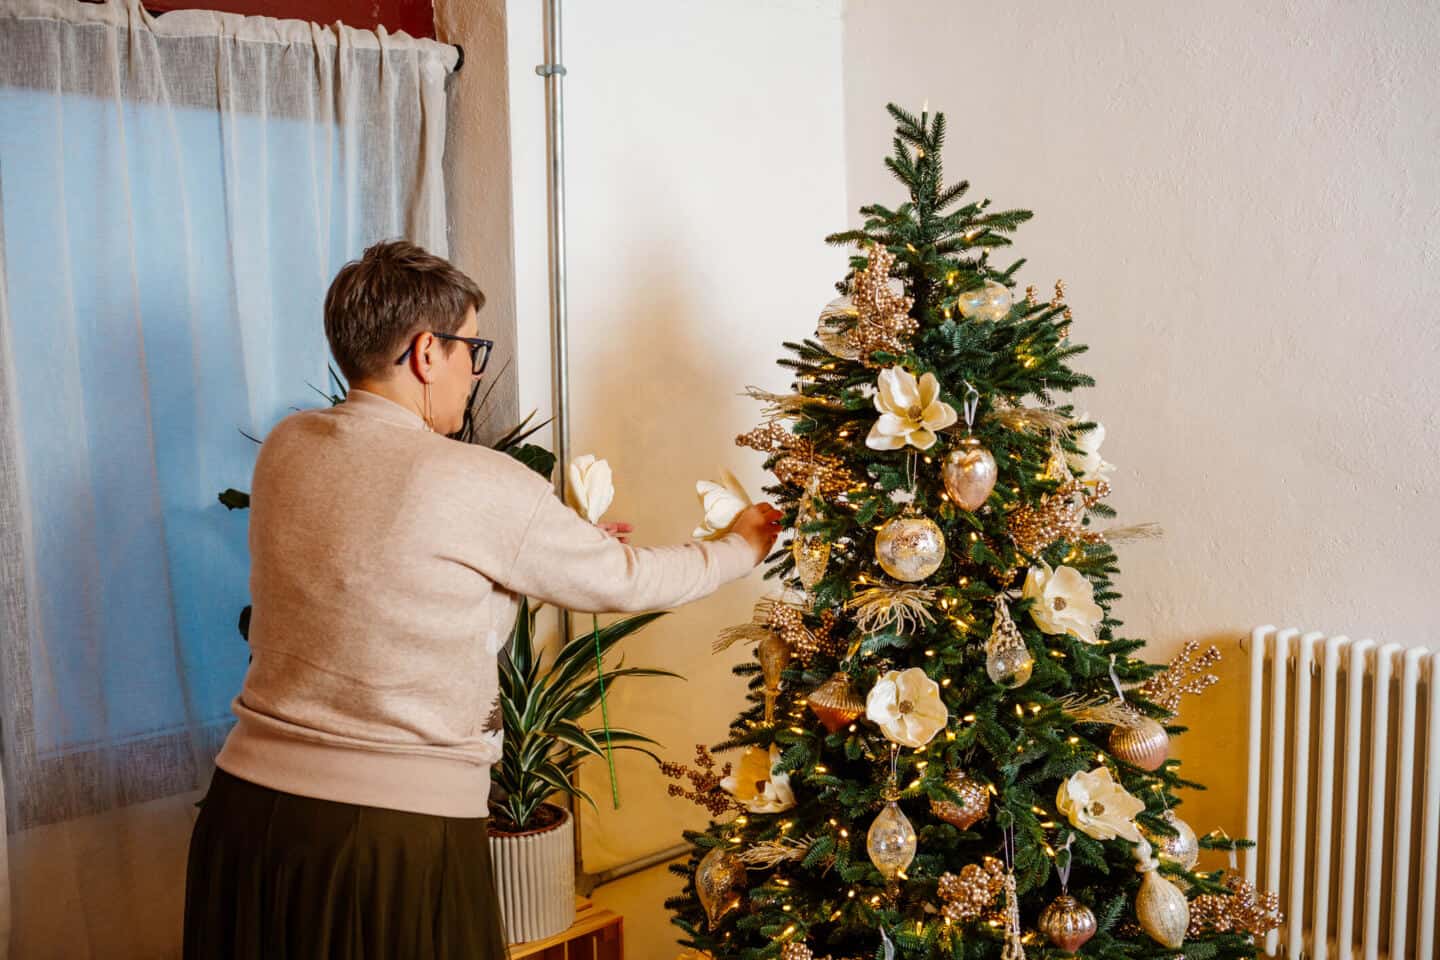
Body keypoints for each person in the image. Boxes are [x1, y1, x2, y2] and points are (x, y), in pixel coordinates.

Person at [183, 240, 781, 959]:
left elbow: (376, 572)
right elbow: (626, 580)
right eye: (472, 347)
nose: (475, 368)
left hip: (245, 813)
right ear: (425, 352)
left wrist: (540, 543)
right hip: (390, 833)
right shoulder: (475, 480)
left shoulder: (287, 446)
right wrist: (739, 547)